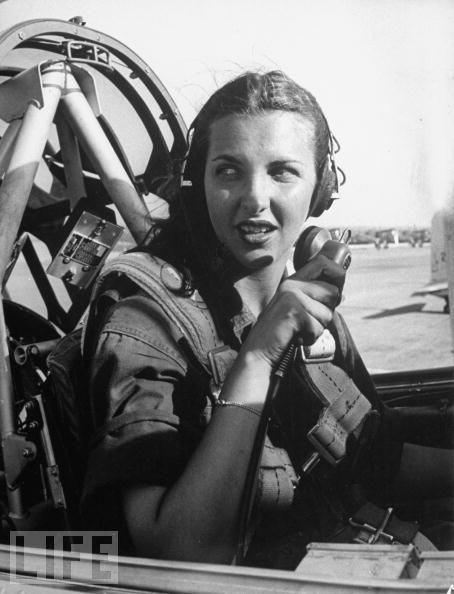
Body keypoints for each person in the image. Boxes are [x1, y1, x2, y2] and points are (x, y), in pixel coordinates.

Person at [80, 70, 453, 568]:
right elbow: (181, 553)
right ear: (200, 184)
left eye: (282, 171)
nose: (254, 197)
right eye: (229, 170)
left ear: (320, 190)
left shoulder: (305, 306)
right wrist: (259, 354)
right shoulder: (145, 323)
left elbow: (373, 461)